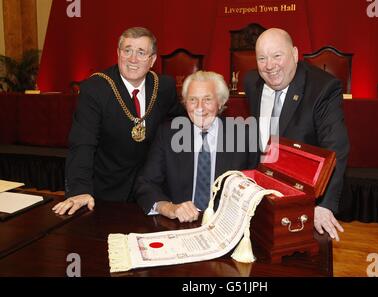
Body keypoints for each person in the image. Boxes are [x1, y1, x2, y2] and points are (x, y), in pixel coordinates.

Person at [53, 27, 182, 215]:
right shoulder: (96, 88)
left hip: (152, 192)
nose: (133, 59)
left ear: (152, 60)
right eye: (127, 50)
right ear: (118, 53)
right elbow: (82, 142)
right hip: (106, 193)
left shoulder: (164, 86)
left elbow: (178, 123)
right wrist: (80, 189)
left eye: (141, 52)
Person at [244, 28, 350, 241]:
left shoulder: (323, 88)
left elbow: (336, 148)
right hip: (262, 196)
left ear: (294, 54)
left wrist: (323, 204)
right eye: (262, 58)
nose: (269, 66)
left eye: (277, 56)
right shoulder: (251, 82)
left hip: (303, 197)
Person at [134, 70, 258, 222]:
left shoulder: (243, 136)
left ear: (220, 102)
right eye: (193, 100)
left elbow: (256, 189)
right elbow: (145, 184)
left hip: (227, 226)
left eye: (207, 99)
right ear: (185, 103)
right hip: (180, 226)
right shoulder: (167, 134)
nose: (200, 107)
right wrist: (169, 207)